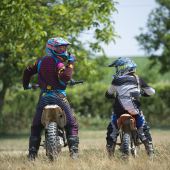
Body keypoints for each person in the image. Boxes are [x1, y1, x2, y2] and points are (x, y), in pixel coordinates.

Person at [23, 37, 79, 160]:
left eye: (64, 47)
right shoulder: (59, 63)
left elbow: (27, 71)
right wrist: (70, 63)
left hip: (44, 97)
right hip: (59, 97)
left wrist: (26, 85)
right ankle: (74, 155)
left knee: (36, 126)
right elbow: (66, 77)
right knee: (72, 124)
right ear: (51, 49)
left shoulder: (40, 62)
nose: (63, 50)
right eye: (60, 48)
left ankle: (32, 156)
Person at [105, 57, 155, 158]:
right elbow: (151, 92)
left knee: (113, 128)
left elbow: (109, 93)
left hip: (119, 111)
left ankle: (110, 150)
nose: (117, 70)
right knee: (142, 127)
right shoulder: (137, 79)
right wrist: (142, 93)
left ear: (125, 68)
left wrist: (112, 95)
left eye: (118, 68)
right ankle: (150, 150)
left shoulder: (116, 80)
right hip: (134, 111)